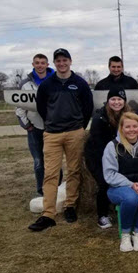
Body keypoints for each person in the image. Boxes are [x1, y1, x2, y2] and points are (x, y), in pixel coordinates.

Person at [29, 48, 93, 231]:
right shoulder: (47, 85)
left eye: (65, 60)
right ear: (54, 63)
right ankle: (48, 214)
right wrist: (52, 122)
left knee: (73, 170)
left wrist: (79, 126)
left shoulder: (79, 83)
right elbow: (42, 108)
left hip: (74, 133)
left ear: (70, 62)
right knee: (51, 173)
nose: (62, 63)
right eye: (58, 61)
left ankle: (70, 206)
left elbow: (87, 107)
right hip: (52, 134)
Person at [102, 112, 138, 252]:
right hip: (119, 187)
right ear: (121, 128)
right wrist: (131, 185)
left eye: (135, 126)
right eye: (128, 127)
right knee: (131, 197)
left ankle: (137, 232)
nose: (132, 130)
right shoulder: (112, 146)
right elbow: (110, 174)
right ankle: (126, 234)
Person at [85, 86, 132, 229]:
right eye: (113, 99)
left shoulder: (127, 116)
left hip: (117, 154)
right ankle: (102, 215)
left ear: (124, 101)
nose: (116, 102)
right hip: (97, 156)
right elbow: (99, 145)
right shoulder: (99, 118)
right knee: (105, 182)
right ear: (108, 101)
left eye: (120, 99)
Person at [16, 53, 57, 196]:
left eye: (42, 63)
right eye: (37, 63)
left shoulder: (56, 80)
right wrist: (27, 125)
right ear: (33, 64)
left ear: (47, 65)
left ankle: (57, 187)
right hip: (35, 128)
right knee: (39, 161)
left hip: (54, 128)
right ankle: (42, 191)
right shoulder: (25, 84)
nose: (40, 65)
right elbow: (20, 107)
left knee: (54, 160)